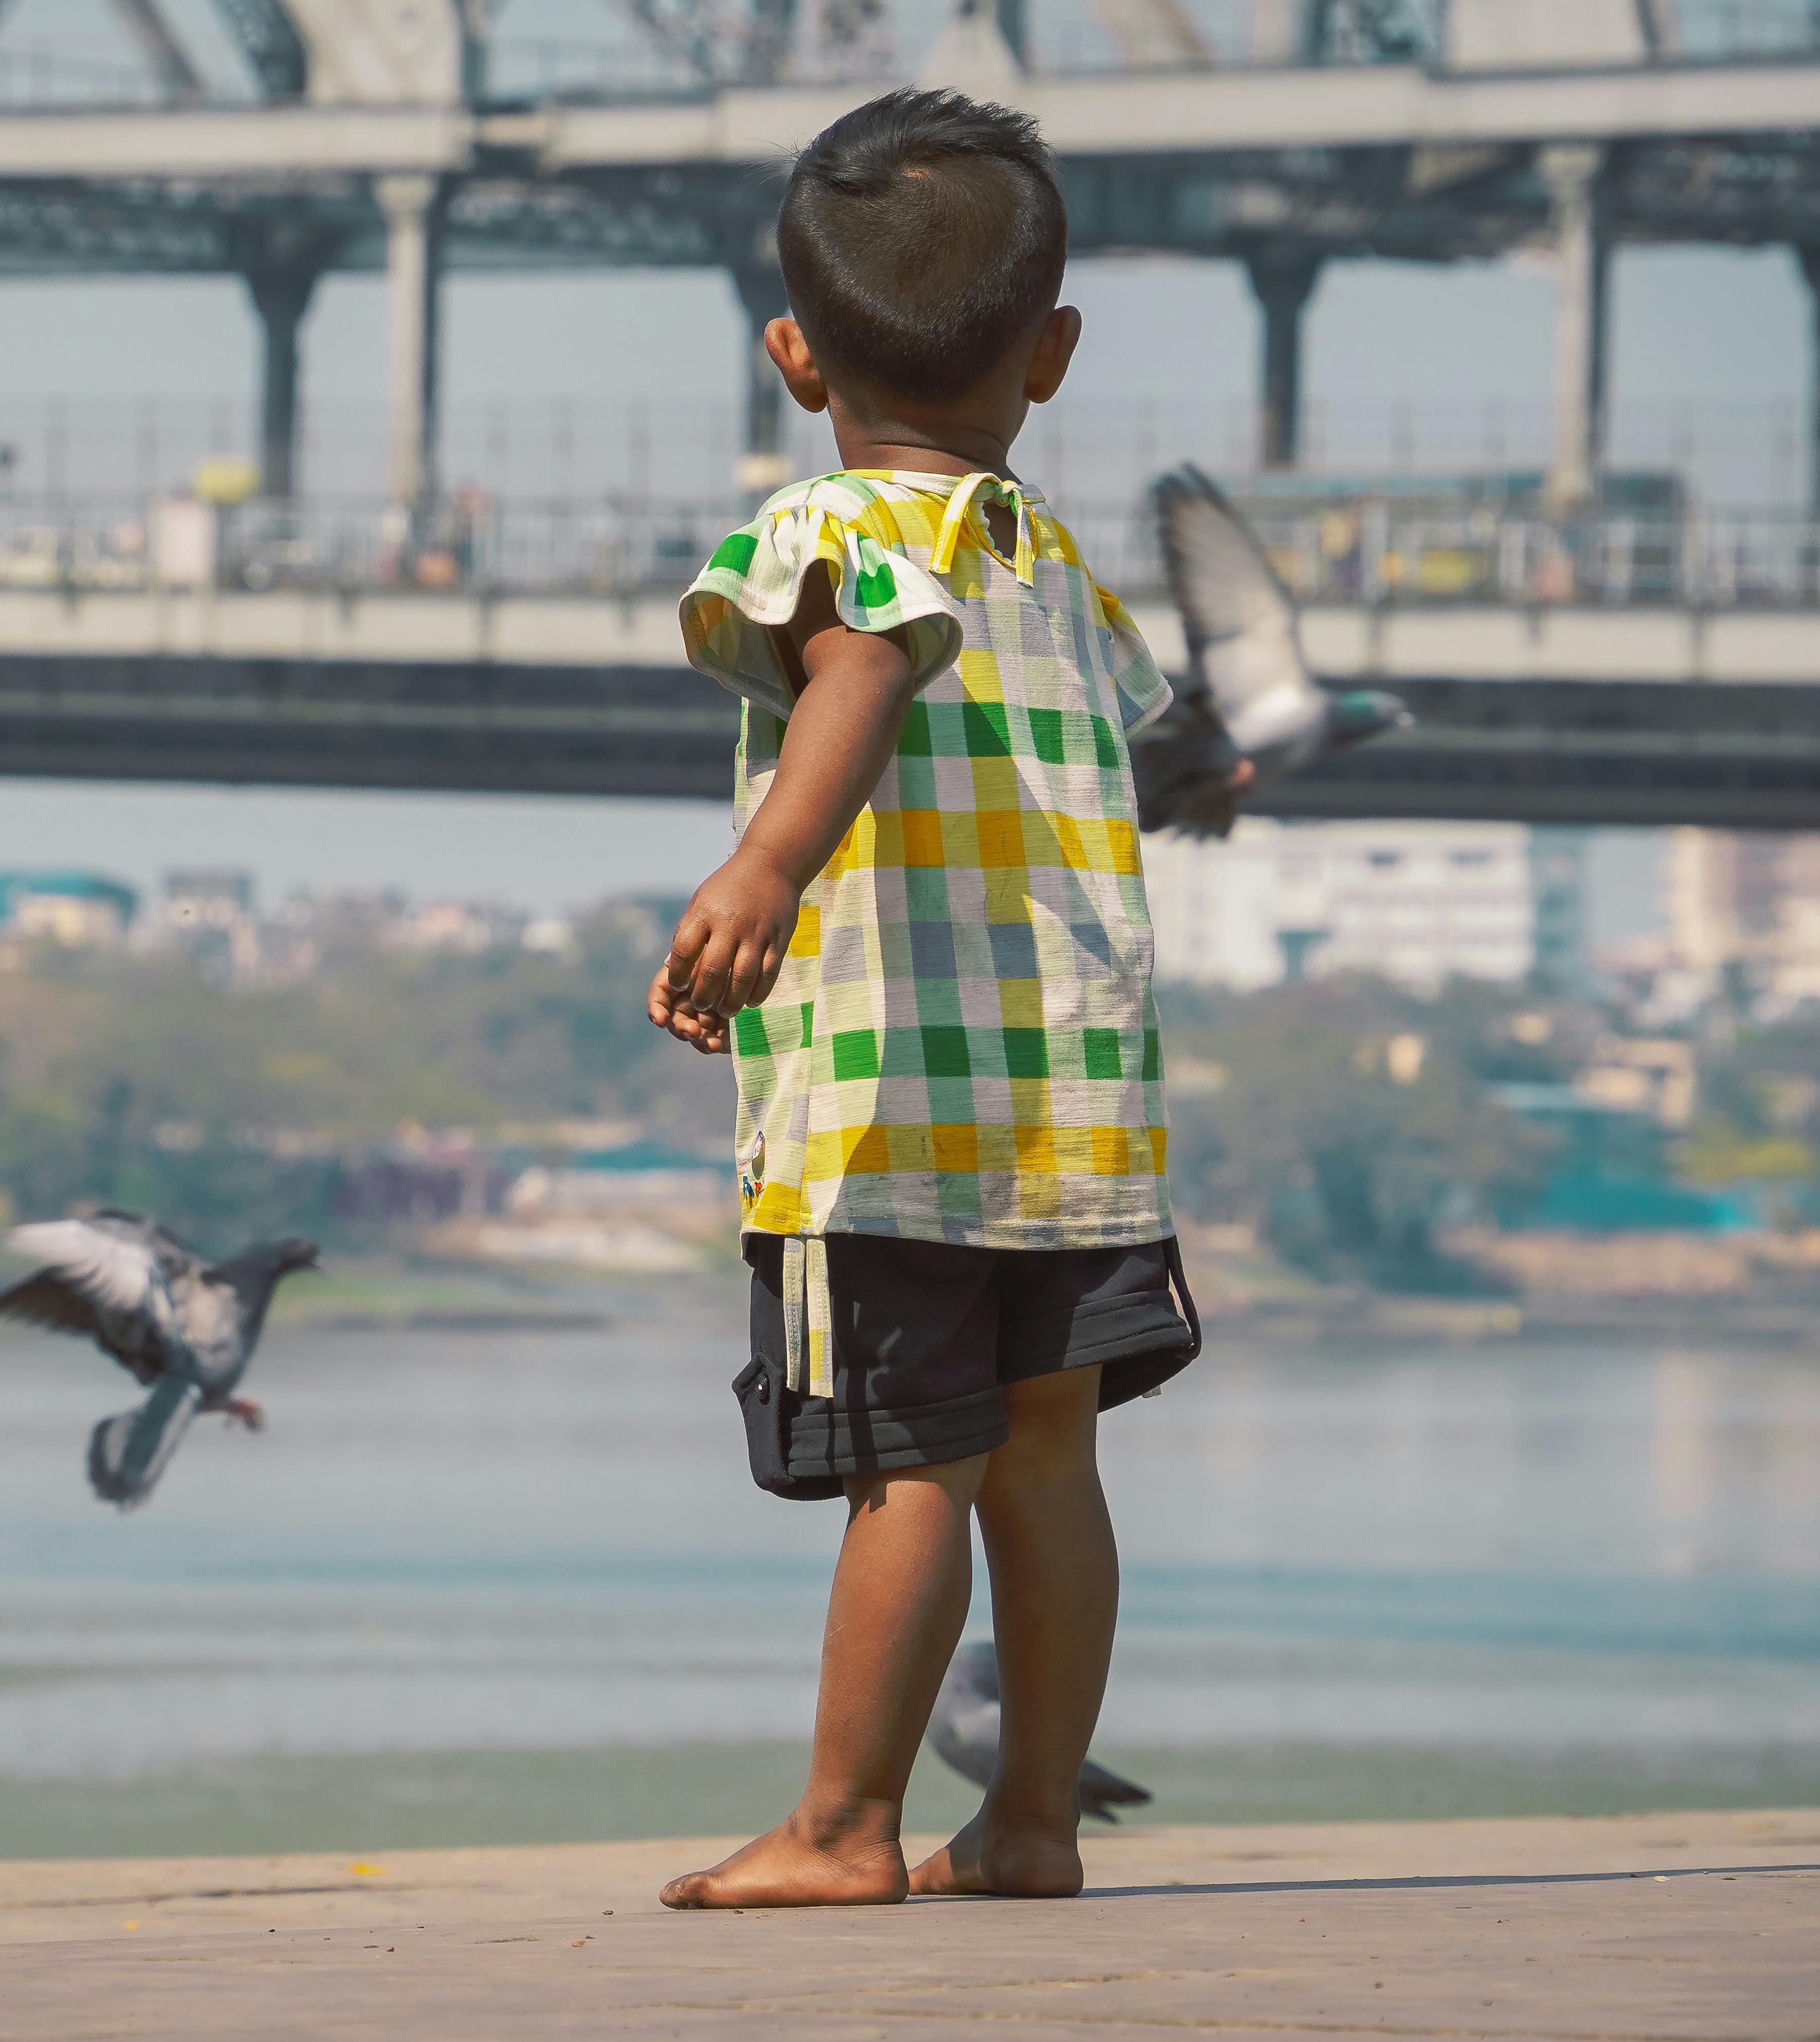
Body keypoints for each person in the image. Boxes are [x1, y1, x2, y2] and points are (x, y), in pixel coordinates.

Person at [648, 88, 1199, 1912]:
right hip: (1072, 1111)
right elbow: (1145, 752)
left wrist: (762, 868)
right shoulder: (1056, 567)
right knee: (1047, 1458)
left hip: (886, 1109)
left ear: (795, 355)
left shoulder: (823, 528)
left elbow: (860, 675)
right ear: (1049, 355)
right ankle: (1031, 1823)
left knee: (914, 1469)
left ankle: (838, 1828)